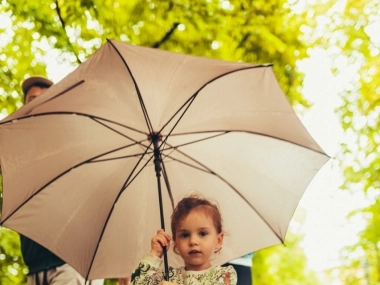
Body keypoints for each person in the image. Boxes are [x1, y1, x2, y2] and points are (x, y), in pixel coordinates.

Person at [20, 75, 104, 285]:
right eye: (32, 100)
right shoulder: (18, 152)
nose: (38, 103)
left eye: (44, 98)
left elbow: (103, 197)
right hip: (36, 266)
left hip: (73, 263)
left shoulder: (77, 140)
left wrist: (122, 260)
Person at [131, 194, 237, 285]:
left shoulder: (224, 275)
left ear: (218, 240)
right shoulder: (168, 276)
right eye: (185, 235)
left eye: (202, 233)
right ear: (176, 243)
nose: (193, 241)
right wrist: (155, 254)